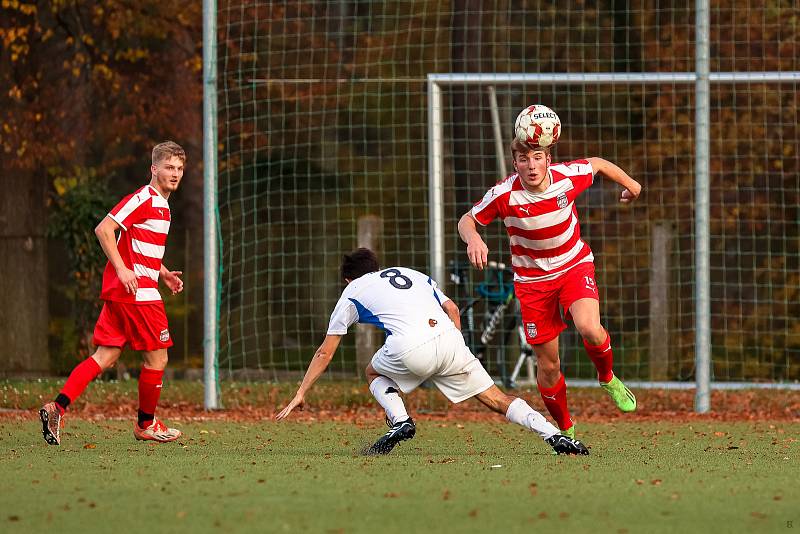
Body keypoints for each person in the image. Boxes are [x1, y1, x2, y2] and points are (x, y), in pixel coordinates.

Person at [275, 248, 588, 456]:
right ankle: (553, 434)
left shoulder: (351, 291)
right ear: (379, 268)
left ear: (347, 279)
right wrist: (457, 343)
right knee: (497, 399)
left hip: (410, 347)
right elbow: (452, 307)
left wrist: (301, 391)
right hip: (449, 339)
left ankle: (400, 421)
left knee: (372, 371)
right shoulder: (409, 273)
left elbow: (325, 352)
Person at [458, 133, 642, 439]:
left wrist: (632, 184)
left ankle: (607, 377)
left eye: (537, 158)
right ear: (514, 163)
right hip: (532, 283)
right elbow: (467, 220)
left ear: (548, 159)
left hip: (573, 265)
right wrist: (474, 238)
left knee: (590, 328)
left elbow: (597, 164)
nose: (531, 166)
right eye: (523, 159)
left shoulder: (566, 178)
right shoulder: (504, 194)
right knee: (548, 365)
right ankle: (567, 430)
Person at [39, 141, 187, 445]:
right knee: (157, 359)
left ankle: (57, 407)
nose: (175, 174)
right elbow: (104, 229)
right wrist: (121, 269)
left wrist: (164, 273)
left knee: (104, 357)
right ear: (153, 169)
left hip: (130, 291)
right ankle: (146, 424)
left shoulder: (162, 205)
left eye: (180, 169)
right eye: (169, 167)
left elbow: (141, 249)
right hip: (137, 294)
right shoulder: (143, 198)